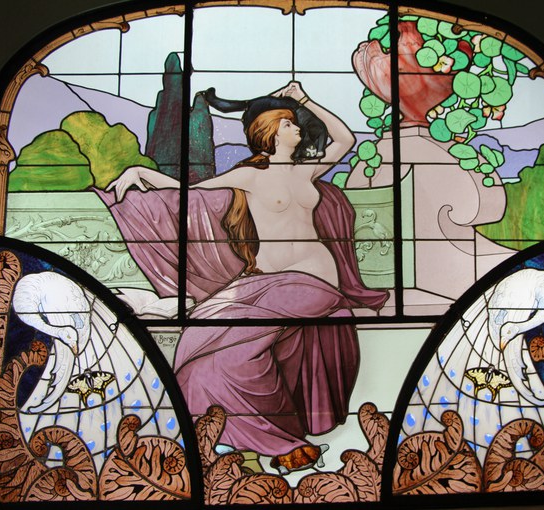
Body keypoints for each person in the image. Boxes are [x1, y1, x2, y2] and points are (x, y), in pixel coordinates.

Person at [99, 82, 388, 474]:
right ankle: (249, 435)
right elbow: (189, 190)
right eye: (288, 123)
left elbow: (346, 139)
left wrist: (304, 99)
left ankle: (275, 439)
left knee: (231, 348)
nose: (297, 128)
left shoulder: (306, 170)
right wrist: (139, 172)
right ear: (270, 131)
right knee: (204, 346)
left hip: (314, 282)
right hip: (264, 282)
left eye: (294, 122)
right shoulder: (249, 176)